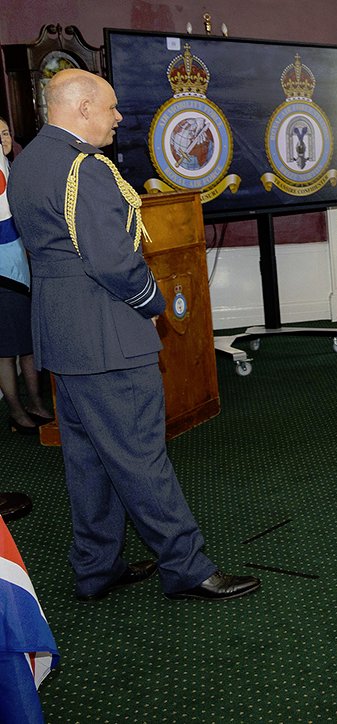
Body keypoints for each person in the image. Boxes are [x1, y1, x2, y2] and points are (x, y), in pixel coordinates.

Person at [8, 69, 260, 601]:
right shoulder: (86, 169)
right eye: (112, 107)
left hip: (61, 332)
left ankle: (97, 568)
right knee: (141, 457)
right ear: (80, 107)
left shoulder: (25, 162)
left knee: (88, 459)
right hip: (107, 333)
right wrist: (151, 303)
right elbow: (114, 261)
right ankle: (187, 567)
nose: (118, 117)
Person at [0, 117, 50, 436]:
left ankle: (36, 403)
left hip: (25, 265)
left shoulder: (14, 164)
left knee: (29, 345)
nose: (1, 139)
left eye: (4, 132)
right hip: (4, 274)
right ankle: (17, 412)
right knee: (6, 349)